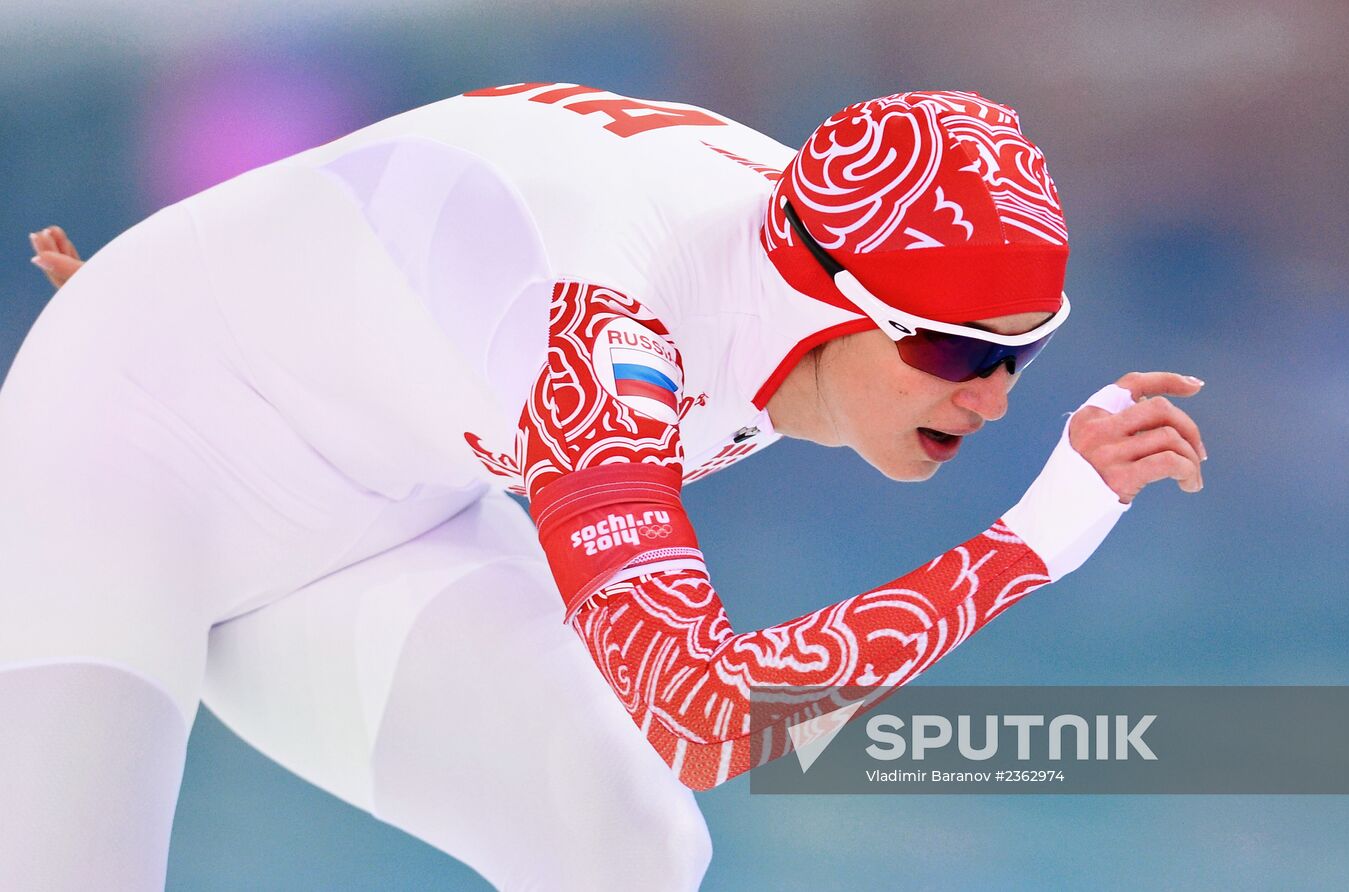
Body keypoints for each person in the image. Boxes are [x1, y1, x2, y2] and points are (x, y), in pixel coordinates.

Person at [4, 85, 1205, 891]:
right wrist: (1037, 538)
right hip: (129, 455)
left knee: (626, 848)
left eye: (1020, 351)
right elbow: (703, 718)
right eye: (950, 352)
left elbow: (414, 209)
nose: (991, 399)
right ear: (833, 300)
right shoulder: (604, 330)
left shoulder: (824, 222)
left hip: (382, 503)